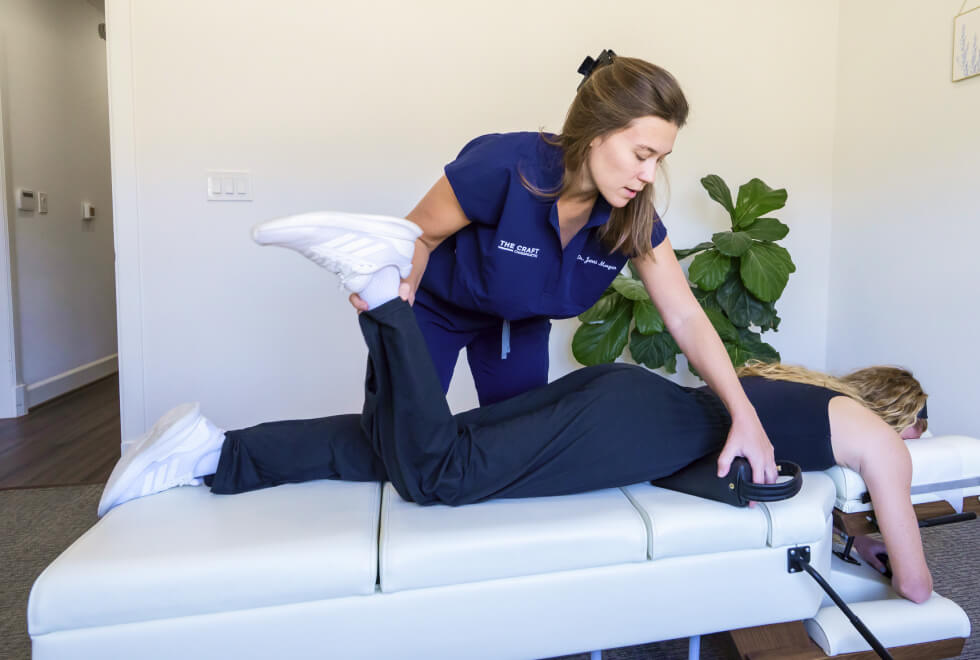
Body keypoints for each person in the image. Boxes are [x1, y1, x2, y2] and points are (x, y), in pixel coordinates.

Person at [99, 214, 932, 603]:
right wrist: (895, 556)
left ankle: (212, 453)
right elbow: (921, 585)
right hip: (632, 433)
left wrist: (851, 536)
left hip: (628, 400)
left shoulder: (812, 396)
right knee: (440, 476)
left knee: (400, 447)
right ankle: (381, 292)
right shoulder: (883, 447)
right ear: (906, 418)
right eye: (921, 432)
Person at [345, 49, 779, 483]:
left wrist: (746, 416)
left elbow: (685, 316)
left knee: (512, 457)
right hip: (437, 311)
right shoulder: (505, 165)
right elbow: (419, 235)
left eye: (659, 160)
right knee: (394, 452)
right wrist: (397, 291)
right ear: (596, 132)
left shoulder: (632, 214)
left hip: (517, 325)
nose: (649, 175)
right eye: (641, 153)